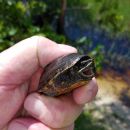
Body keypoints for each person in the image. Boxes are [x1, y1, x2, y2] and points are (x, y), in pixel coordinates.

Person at [0, 36, 98, 130]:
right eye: (85, 65)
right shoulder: (70, 68)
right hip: (47, 86)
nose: (88, 66)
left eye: (90, 66)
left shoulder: (85, 78)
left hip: (54, 93)